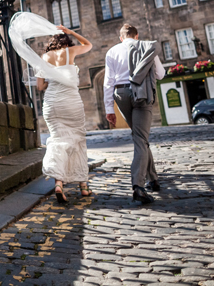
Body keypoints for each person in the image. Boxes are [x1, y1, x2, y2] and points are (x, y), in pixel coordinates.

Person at [8, 13, 92, 204]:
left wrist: (52, 83)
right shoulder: (70, 52)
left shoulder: (44, 57)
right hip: (71, 102)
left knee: (57, 140)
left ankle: (59, 183)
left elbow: (39, 87)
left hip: (52, 103)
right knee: (78, 139)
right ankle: (83, 187)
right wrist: (71, 31)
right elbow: (89, 46)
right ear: (67, 42)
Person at [103, 23, 165, 204]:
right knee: (141, 138)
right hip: (142, 93)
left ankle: (153, 179)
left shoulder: (112, 51)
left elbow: (108, 82)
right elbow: (160, 74)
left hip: (121, 95)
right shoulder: (147, 47)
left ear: (121, 38)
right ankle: (138, 186)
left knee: (140, 137)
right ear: (136, 36)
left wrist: (109, 109)